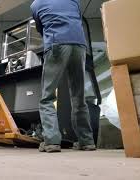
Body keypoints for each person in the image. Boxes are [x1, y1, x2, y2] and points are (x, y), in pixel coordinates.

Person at [31, 0, 96, 153]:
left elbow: (41, 28)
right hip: (79, 45)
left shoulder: (36, 4)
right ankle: (86, 141)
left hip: (56, 43)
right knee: (79, 96)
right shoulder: (73, 1)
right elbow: (76, 20)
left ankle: (52, 141)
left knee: (47, 97)